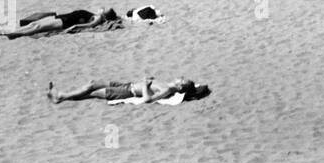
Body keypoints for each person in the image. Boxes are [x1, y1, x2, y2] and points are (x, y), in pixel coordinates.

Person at [48, 76, 206, 104]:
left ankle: (61, 96)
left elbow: (148, 99)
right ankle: (61, 96)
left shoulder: (167, 91)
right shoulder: (166, 84)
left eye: (182, 79)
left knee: (92, 92)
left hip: (126, 92)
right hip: (126, 84)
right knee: (92, 83)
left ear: (180, 86)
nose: (179, 77)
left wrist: (144, 84)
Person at [0, 8, 117, 38]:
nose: (104, 9)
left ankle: (14, 33)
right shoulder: (98, 14)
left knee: (37, 27)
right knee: (34, 24)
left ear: (106, 16)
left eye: (106, 10)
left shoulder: (98, 19)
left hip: (66, 22)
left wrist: (75, 26)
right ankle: (11, 31)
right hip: (63, 17)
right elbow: (101, 8)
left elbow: (89, 25)